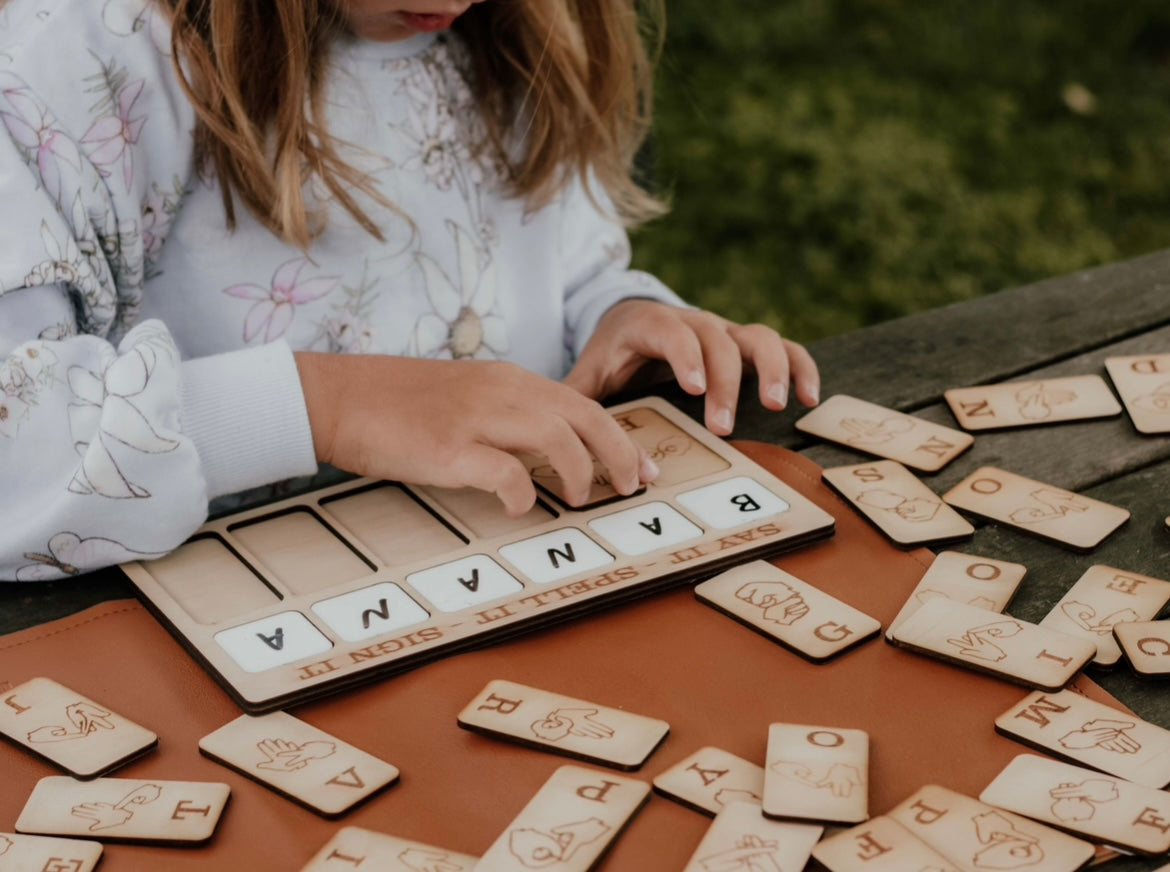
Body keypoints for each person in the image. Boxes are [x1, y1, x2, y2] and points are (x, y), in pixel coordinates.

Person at [0, 0, 819, 582]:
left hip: (505, 585)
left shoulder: (519, 24)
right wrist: (330, 408)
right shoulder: (77, 61)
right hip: (224, 656)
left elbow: (560, 262)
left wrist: (617, 314)